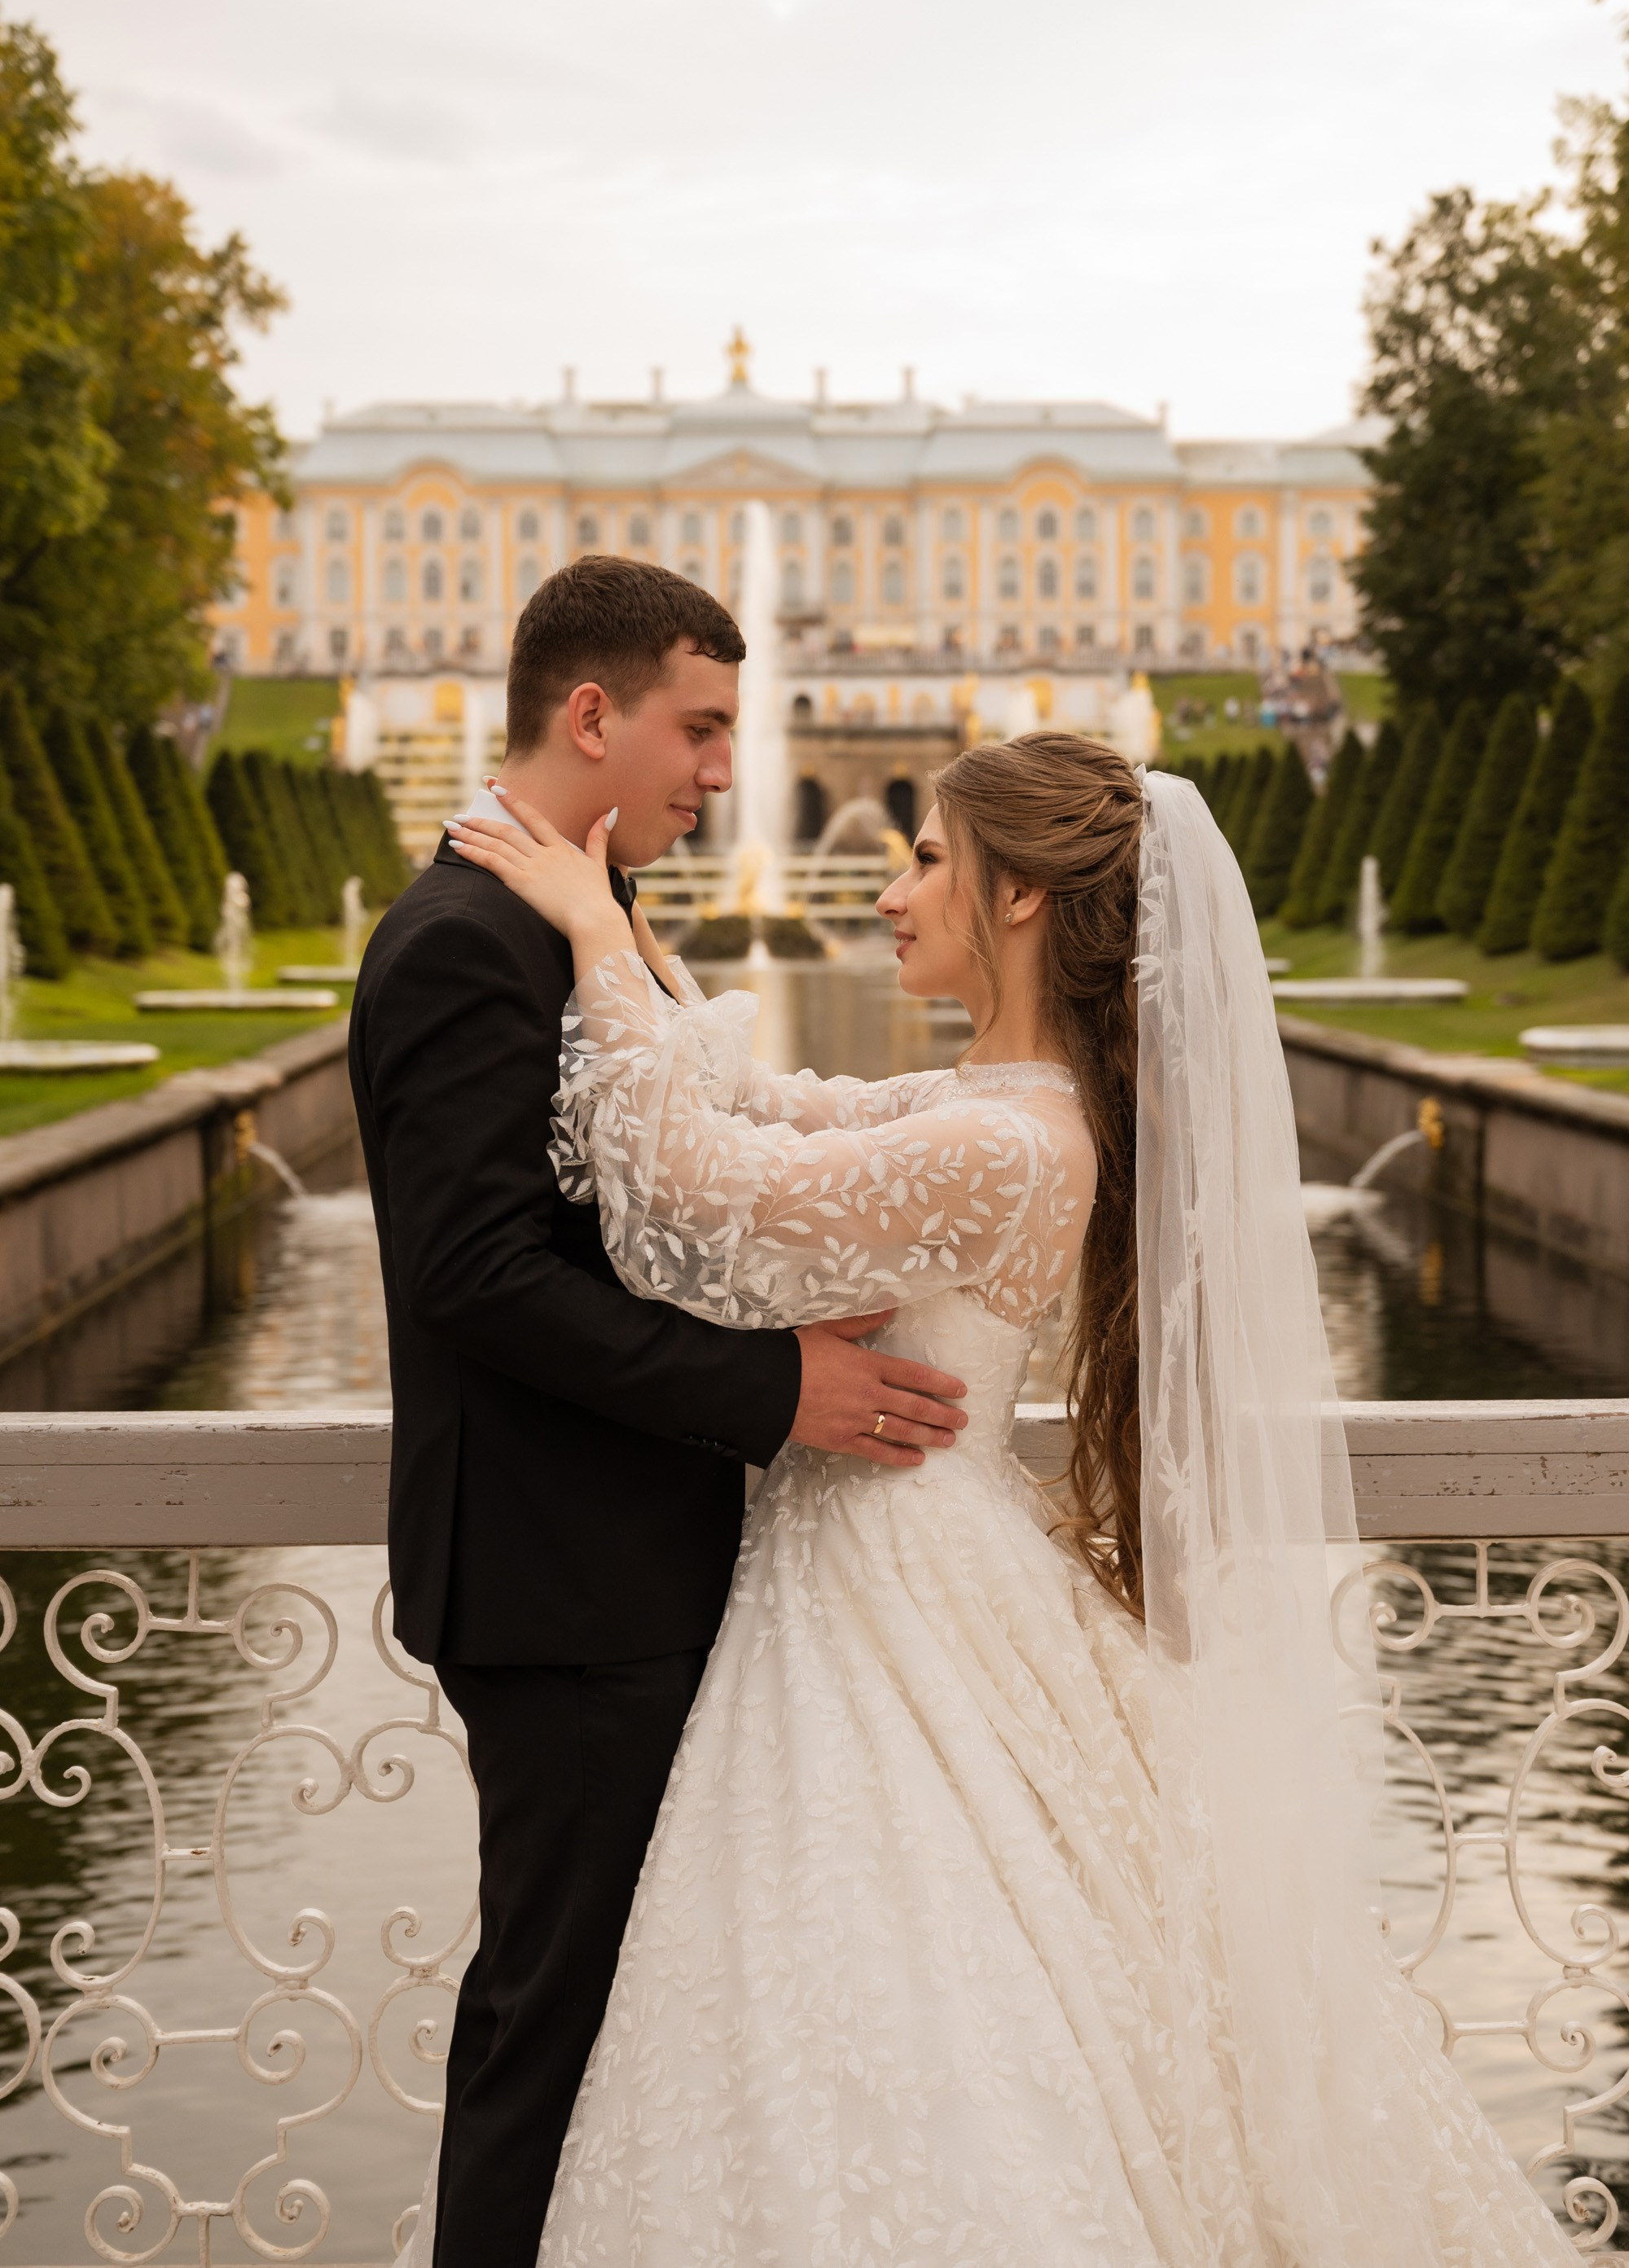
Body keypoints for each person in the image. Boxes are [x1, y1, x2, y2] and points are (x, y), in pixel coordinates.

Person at [445, 732, 1581, 2266]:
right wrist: (641, 948)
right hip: (892, 1552)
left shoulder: (1003, 1139)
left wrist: (584, 938)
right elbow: (779, 1108)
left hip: (887, 1572)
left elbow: (691, 1188)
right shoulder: (1001, 1102)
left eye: (928, 859)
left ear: (1028, 896)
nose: (895, 887)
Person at [350, 556, 968, 2268]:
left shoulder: (580, 921)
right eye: (698, 730)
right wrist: (777, 1385)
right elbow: (477, 1277)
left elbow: (642, 1220)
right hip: (564, 1588)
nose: (718, 769)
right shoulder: (467, 941)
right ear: (592, 713)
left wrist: (786, 1297)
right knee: (552, 2037)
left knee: (644, 2039)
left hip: (633, 1563)